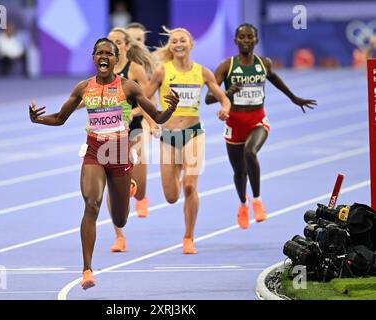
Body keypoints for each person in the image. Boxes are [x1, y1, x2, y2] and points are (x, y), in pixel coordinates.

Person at [29, 38, 179, 290]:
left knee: (120, 220)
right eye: (99, 53)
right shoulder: (83, 87)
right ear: (93, 58)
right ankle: (87, 269)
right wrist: (38, 120)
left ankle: (126, 186)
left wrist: (171, 109)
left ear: (116, 59)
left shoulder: (129, 87)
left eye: (109, 53)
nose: (104, 57)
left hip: (119, 153)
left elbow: (158, 116)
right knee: (92, 203)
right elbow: (60, 117)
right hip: (95, 151)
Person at [205, 23, 317, 229]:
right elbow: (209, 98)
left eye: (250, 37)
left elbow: (273, 78)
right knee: (239, 172)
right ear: (235, 41)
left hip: (257, 120)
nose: (246, 40)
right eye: (242, 37)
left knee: (250, 152)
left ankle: (257, 201)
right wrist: (228, 92)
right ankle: (243, 204)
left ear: (256, 40)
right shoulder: (226, 66)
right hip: (234, 124)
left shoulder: (263, 63)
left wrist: (293, 98)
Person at [145, 26, 231, 254]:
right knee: (172, 197)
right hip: (168, 136)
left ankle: (188, 237)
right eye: (174, 42)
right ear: (170, 47)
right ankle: (179, 171)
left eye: (182, 40)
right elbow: (143, 98)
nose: (178, 44)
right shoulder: (162, 72)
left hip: (193, 133)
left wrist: (225, 109)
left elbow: (224, 100)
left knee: (191, 185)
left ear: (191, 44)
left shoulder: (202, 72)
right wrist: (152, 121)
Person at [106, 28, 157, 253]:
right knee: (111, 184)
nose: (114, 45)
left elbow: (145, 100)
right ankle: (119, 236)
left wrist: (151, 122)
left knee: (138, 183)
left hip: (134, 129)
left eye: (118, 41)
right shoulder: (102, 70)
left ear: (126, 46)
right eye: (110, 42)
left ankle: (141, 195)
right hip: (108, 132)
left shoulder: (134, 69)